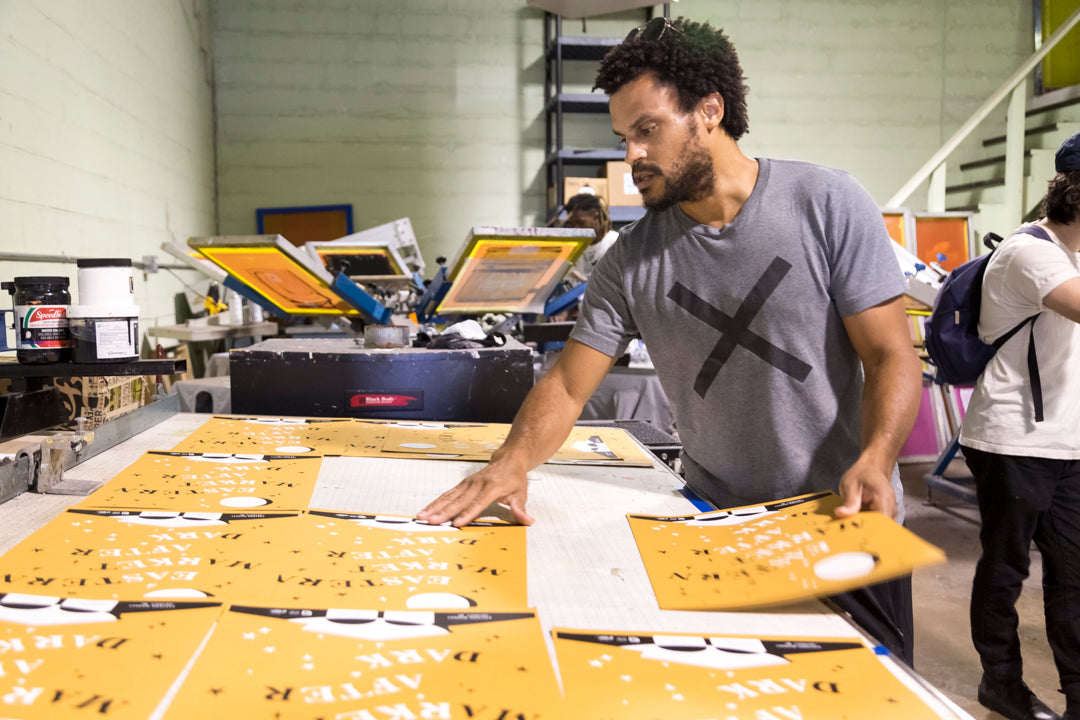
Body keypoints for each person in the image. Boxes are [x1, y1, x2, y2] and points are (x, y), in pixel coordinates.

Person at [419, 17, 922, 663]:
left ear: (709, 111)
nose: (631, 157)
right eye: (624, 137)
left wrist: (878, 457)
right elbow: (570, 385)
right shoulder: (631, 259)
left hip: (843, 518)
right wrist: (512, 462)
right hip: (717, 518)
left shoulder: (827, 203)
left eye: (647, 130)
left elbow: (889, 355)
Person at [958, 132, 1080, 720]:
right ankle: (999, 681)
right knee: (1006, 566)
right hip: (1013, 438)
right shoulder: (1030, 250)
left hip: (1070, 439)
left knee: (1074, 574)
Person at [563, 192, 619, 282]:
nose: (576, 228)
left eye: (581, 223)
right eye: (572, 224)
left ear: (596, 217)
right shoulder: (571, 248)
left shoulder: (616, 243)